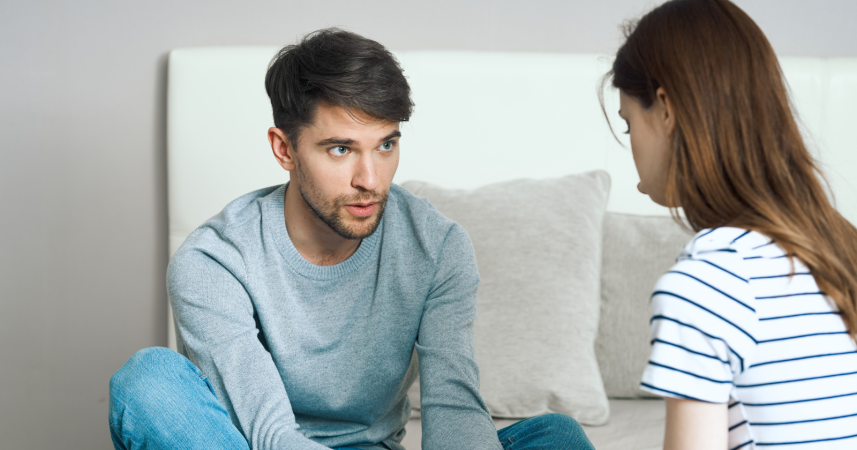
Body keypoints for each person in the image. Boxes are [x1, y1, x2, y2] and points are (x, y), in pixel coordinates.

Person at [108, 29, 593, 450]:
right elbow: (269, 434)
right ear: (284, 149)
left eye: (386, 145)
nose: (371, 180)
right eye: (341, 149)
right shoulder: (214, 261)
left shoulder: (437, 247)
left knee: (556, 436)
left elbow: (454, 411)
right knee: (148, 382)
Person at [604, 0, 857, 448]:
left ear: (666, 109)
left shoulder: (706, 284)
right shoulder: (841, 249)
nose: (632, 147)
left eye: (629, 125)